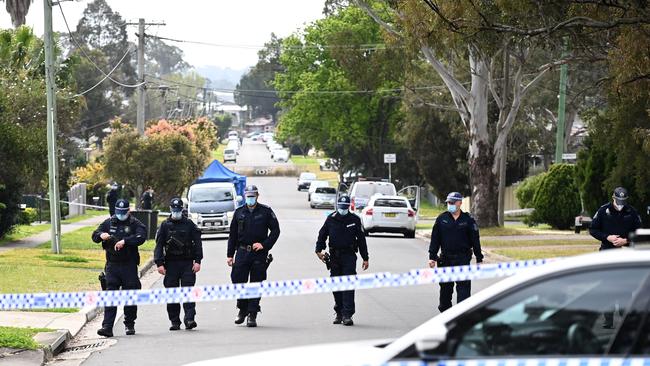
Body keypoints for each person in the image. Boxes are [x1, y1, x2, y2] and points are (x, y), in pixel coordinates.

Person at [91, 199, 146, 337]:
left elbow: (141, 237)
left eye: (123, 212)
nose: (121, 215)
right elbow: (94, 235)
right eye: (118, 212)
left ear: (128, 211)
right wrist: (100, 235)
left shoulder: (135, 223)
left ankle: (129, 324)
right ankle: (107, 327)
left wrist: (125, 241)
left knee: (130, 296)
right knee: (110, 296)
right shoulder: (109, 222)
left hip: (129, 265)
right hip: (112, 266)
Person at [227, 185, 280, 327]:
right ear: (245, 196)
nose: (250, 198)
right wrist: (230, 255)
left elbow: (275, 231)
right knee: (238, 281)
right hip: (242, 251)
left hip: (259, 253)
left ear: (257, 195)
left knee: (256, 283)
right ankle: (242, 309)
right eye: (248, 195)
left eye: (253, 195)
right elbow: (232, 235)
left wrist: (265, 245)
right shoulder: (239, 212)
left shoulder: (266, 211)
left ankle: (252, 314)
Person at [589, 186, 642, 328]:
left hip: (626, 253)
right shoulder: (603, 211)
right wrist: (608, 237)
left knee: (626, 288)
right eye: (618, 200)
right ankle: (608, 320)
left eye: (623, 201)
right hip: (607, 253)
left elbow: (639, 233)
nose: (620, 203)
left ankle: (625, 321)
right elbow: (593, 229)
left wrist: (627, 240)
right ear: (613, 198)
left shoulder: (632, 212)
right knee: (607, 287)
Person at [315, 195, 369, 326]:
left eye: (345, 207)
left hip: (349, 256)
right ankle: (339, 311)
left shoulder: (355, 220)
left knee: (348, 285)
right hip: (334, 256)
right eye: (341, 207)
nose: (343, 209)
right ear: (337, 206)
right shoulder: (331, 219)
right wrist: (318, 250)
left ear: (349, 206)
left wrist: (365, 257)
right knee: (336, 285)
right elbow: (322, 235)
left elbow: (361, 240)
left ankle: (347, 314)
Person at [428, 192, 483, 313]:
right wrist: (432, 256)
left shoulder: (468, 220)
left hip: (462, 259)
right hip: (445, 259)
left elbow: (475, 239)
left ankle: (461, 316)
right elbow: (435, 239)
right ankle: (446, 313)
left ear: (460, 203)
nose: (450, 205)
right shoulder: (442, 219)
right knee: (445, 291)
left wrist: (479, 258)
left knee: (463, 291)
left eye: (453, 202)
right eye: (448, 202)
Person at [154, 198, 203, 331]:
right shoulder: (165, 225)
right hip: (170, 264)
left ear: (182, 209)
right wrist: (159, 263)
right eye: (174, 209)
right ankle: (175, 321)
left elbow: (197, 242)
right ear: (170, 209)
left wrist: (198, 261)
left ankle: (189, 319)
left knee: (188, 291)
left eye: (178, 209)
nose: (176, 212)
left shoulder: (189, 224)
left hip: (187, 263)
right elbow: (159, 245)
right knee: (172, 293)